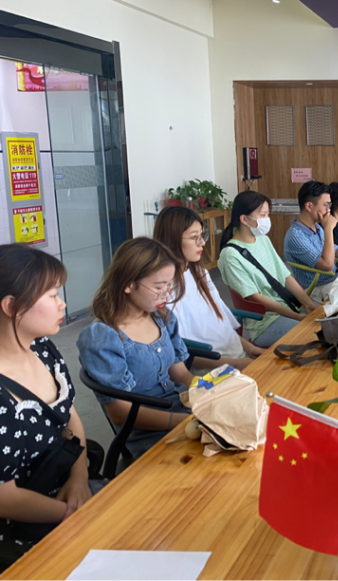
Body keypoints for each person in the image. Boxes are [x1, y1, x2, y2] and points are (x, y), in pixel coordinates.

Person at [0, 245, 96, 569]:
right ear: (11, 306)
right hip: (22, 525)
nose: (62, 303)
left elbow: (70, 417)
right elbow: (5, 498)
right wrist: (72, 512)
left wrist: (79, 479)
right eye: (52, 295)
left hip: (67, 488)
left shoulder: (42, 347)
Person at [77, 238, 193, 459]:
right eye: (159, 287)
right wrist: (183, 420)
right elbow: (120, 413)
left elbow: (179, 372)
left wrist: (207, 389)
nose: (166, 294)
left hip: (181, 408)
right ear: (128, 284)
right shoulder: (103, 337)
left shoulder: (162, 317)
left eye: (169, 285)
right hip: (146, 432)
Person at [153, 205, 265, 369]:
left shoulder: (200, 273)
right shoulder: (164, 289)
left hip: (235, 357)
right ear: (172, 240)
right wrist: (236, 363)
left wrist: (249, 348)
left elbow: (220, 325)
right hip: (210, 368)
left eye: (202, 235)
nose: (202, 243)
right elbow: (181, 355)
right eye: (194, 237)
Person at [219, 191, 317, 347]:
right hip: (265, 323)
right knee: (316, 336)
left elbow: (285, 277)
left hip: (290, 308)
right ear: (244, 219)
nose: (267, 220)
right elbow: (255, 298)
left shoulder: (263, 240)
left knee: (327, 326)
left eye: (267, 215)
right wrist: (296, 317)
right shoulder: (230, 255)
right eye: (263, 215)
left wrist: (308, 303)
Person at [283, 181, 338, 302]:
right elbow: (327, 265)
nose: (328, 210)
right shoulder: (295, 236)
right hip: (317, 289)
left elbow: (336, 250)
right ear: (309, 206)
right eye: (326, 205)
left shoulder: (317, 228)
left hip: (333, 281)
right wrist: (328, 229)